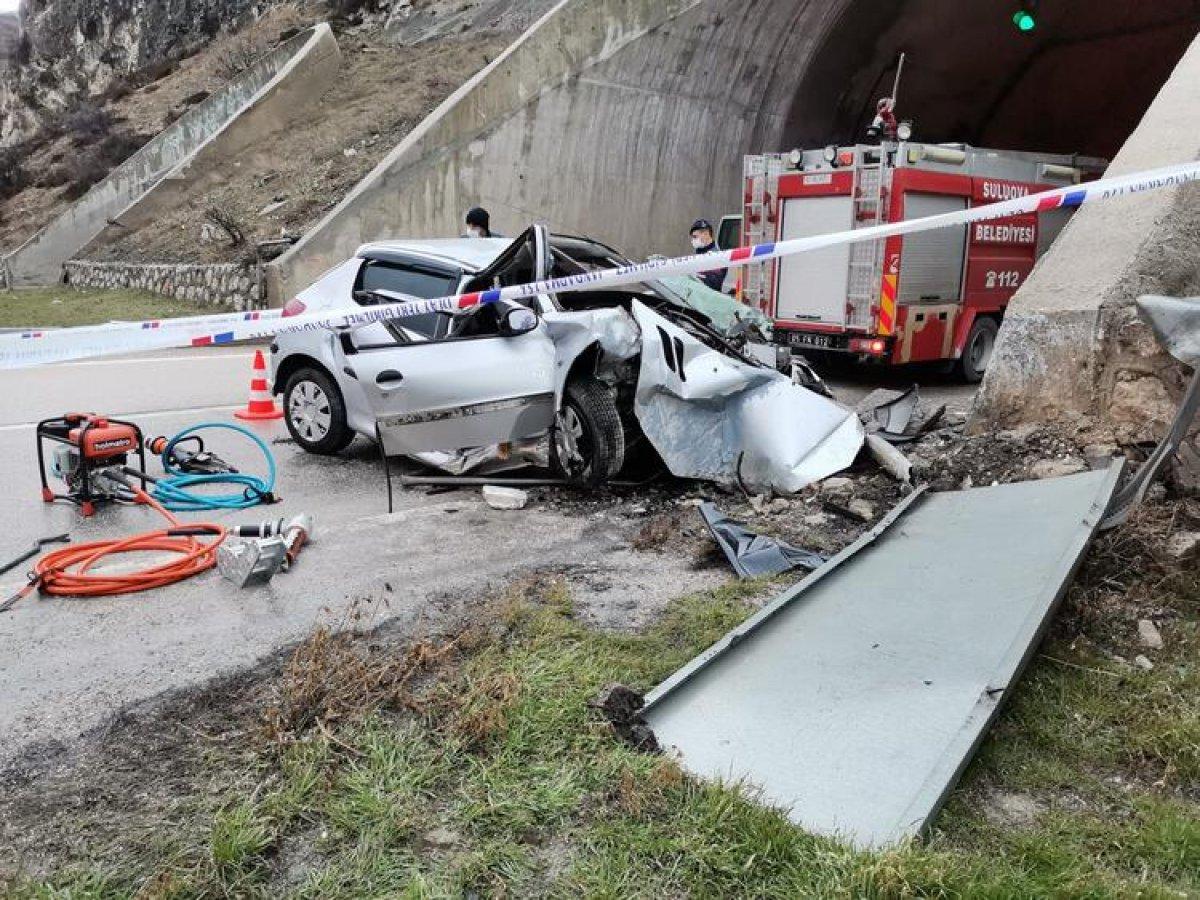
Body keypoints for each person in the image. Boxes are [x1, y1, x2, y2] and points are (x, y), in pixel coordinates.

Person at [689, 218, 727, 292]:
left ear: (706, 234)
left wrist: (696, 276)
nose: (693, 240)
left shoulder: (716, 254)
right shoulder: (700, 251)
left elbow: (715, 284)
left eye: (695, 237)